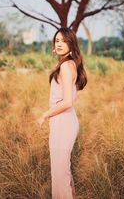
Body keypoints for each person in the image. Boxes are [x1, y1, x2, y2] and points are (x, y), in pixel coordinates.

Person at [37, 27, 87, 199]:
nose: (59, 44)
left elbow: (67, 101)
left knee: (60, 174)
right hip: (64, 120)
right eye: (57, 40)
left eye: (64, 41)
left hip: (63, 122)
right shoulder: (70, 63)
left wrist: (45, 114)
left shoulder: (66, 66)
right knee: (62, 171)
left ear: (71, 44)